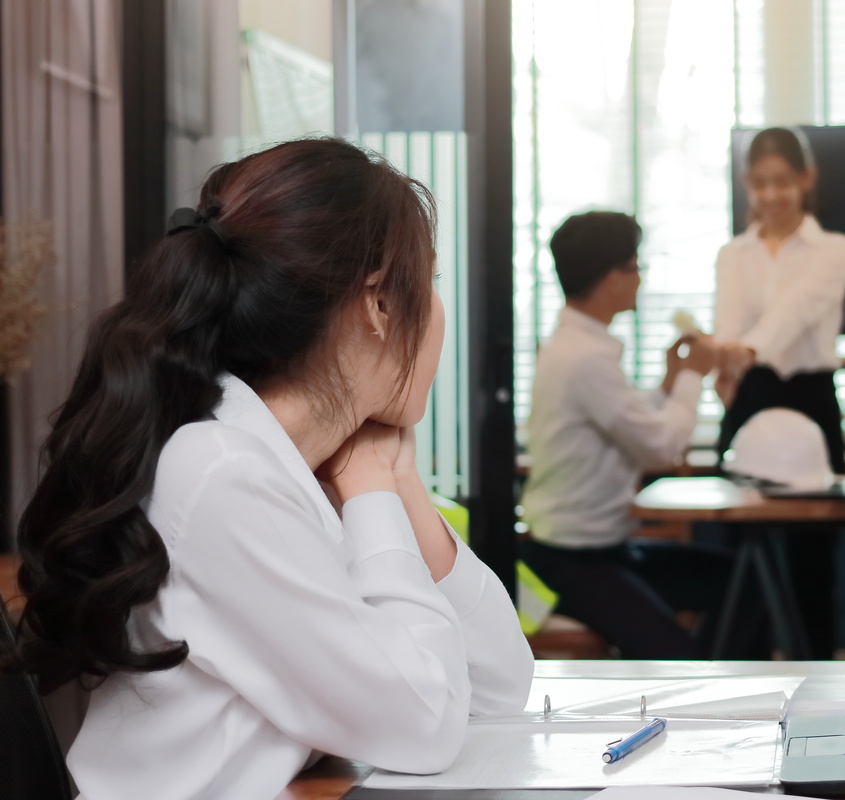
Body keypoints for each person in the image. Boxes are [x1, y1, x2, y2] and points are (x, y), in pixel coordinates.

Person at [0, 138, 533, 800]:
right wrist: (371, 492)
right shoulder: (221, 471)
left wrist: (397, 483)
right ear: (378, 304)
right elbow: (424, 724)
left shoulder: (282, 461)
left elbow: (499, 687)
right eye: (430, 283)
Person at [519, 210, 730, 659]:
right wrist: (694, 377)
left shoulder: (577, 347)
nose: (640, 279)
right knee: (679, 658)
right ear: (611, 277)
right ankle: (709, 688)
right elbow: (660, 448)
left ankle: (723, 686)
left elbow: (628, 425)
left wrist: (669, 384)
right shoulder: (586, 359)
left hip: (602, 548)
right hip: (571, 560)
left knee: (736, 580)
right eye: (635, 267)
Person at [713, 126, 845, 659]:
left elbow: (797, 311)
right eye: (758, 183)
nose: (770, 195)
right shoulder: (734, 254)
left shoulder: (836, 249)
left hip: (811, 401)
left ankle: (821, 691)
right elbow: (728, 324)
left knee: (812, 563)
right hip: (749, 400)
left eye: (781, 181)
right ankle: (741, 701)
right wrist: (725, 364)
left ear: (806, 179)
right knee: (742, 560)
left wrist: (742, 351)